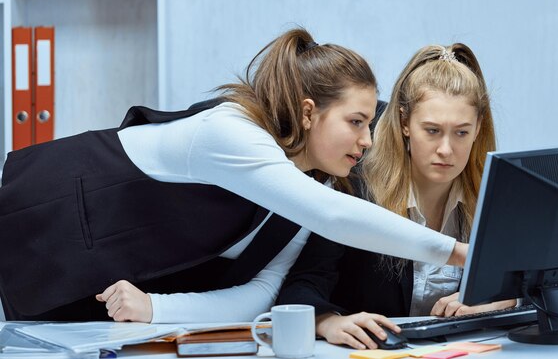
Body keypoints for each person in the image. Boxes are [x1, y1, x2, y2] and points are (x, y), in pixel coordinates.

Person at [0, 28, 467, 323]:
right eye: (356, 121)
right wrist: (461, 253)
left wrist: (156, 308)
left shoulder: (310, 188)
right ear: (308, 113)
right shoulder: (231, 133)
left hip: (66, 291)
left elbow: (260, 294)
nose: (367, 142)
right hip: (33, 217)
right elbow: (334, 216)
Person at [277, 43, 516, 350]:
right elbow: (301, 286)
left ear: (478, 127)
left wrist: (499, 300)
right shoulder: (356, 190)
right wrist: (328, 322)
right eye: (431, 130)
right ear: (404, 122)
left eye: (461, 132)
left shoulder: (494, 197)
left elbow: (544, 281)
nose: (446, 149)